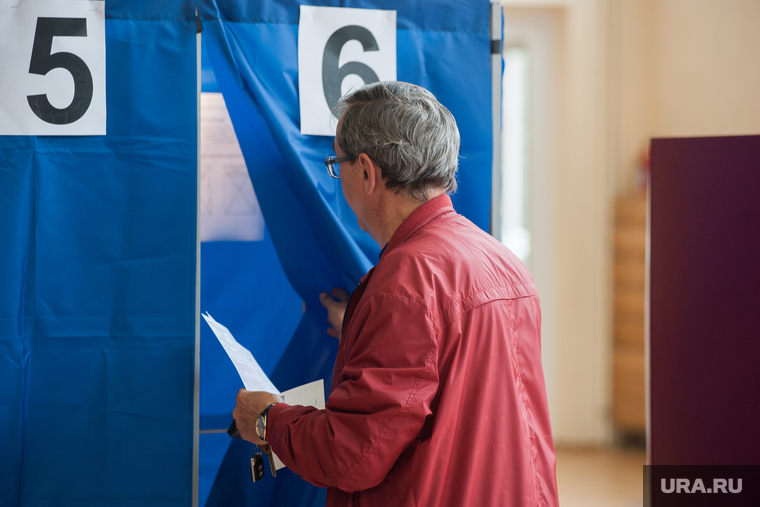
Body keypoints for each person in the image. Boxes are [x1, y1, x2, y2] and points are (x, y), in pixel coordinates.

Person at [232, 81, 559, 506]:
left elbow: (352, 455)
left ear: (366, 172)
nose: (337, 177)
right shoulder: (501, 261)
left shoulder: (406, 283)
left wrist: (267, 421)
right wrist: (362, 320)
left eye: (337, 163)